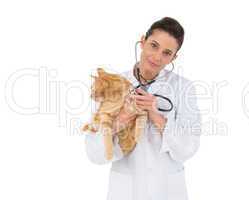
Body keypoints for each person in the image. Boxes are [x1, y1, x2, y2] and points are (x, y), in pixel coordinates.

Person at [84, 17, 202, 200]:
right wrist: (122, 119)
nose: (157, 57)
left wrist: (156, 116)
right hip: (125, 190)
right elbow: (94, 153)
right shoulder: (113, 84)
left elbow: (189, 148)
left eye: (167, 53)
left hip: (167, 190)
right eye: (154, 45)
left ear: (174, 57)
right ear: (142, 41)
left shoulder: (183, 88)